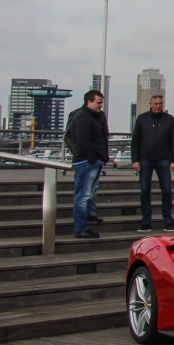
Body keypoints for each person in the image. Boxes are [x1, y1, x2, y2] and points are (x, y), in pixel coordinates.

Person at [131, 94, 174, 233]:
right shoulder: (142, 119)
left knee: (166, 191)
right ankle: (146, 222)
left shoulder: (169, 119)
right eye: (156, 103)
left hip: (164, 159)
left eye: (160, 103)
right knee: (145, 191)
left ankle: (168, 221)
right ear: (150, 104)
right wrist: (135, 160)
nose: (158, 106)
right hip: (145, 159)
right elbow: (135, 140)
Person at [65, 89, 109, 239]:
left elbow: (103, 136)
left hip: (94, 160)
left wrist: (102, 157)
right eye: (98, 103)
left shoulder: (99, 116)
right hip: (86, 161)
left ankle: (87, 219)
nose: (100, 106)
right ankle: (81, 228)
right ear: (88, 102)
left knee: (88, 193)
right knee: (82, 195)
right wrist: (92, 158)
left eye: (101, 103)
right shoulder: (81, 117)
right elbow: (82, 140)